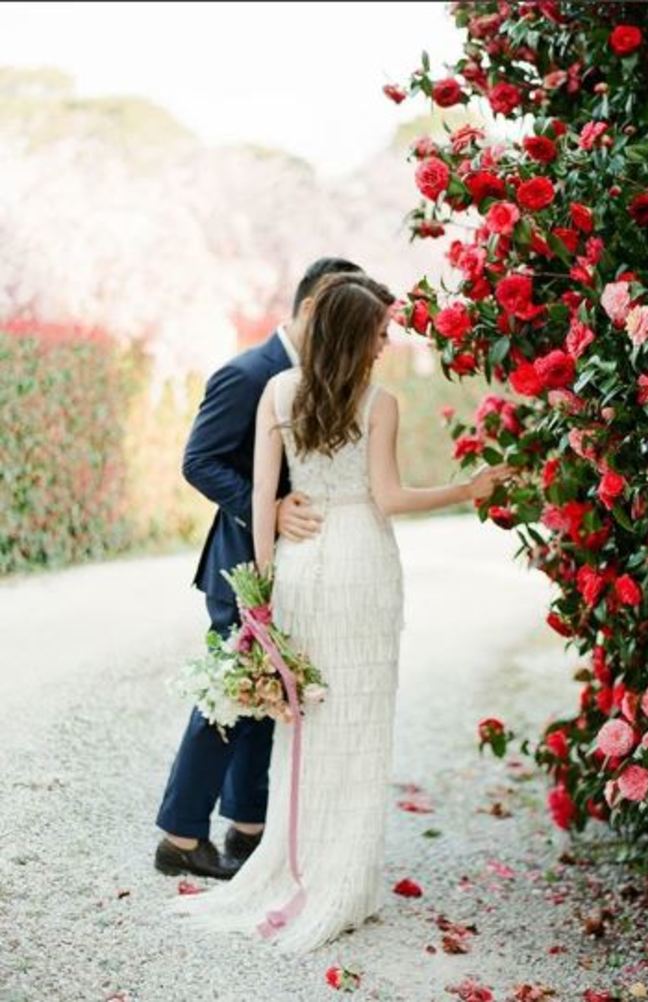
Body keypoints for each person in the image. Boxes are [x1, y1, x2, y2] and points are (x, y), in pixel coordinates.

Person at [171, 272, 510, 950]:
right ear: (355, 336)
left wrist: (260, 592)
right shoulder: (379, 403)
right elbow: (389, 498)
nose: (385, 344)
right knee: (358, 723)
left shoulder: (277, 391)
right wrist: (467, 490)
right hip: (360, 562)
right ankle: (344, 880)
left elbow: (263, 499)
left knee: (306, 725)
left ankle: (299, 865)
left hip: (298, 564)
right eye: (379, 333)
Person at [154, 257, 362, 880]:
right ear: (311, 307)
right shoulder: (248, 373)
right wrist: (267, 506)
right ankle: (180, 835)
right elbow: (199, 461)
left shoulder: (320, 376)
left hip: (292, 565)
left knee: (267, 693)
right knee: (230, 691)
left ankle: (248, 828)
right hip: (239, 560)